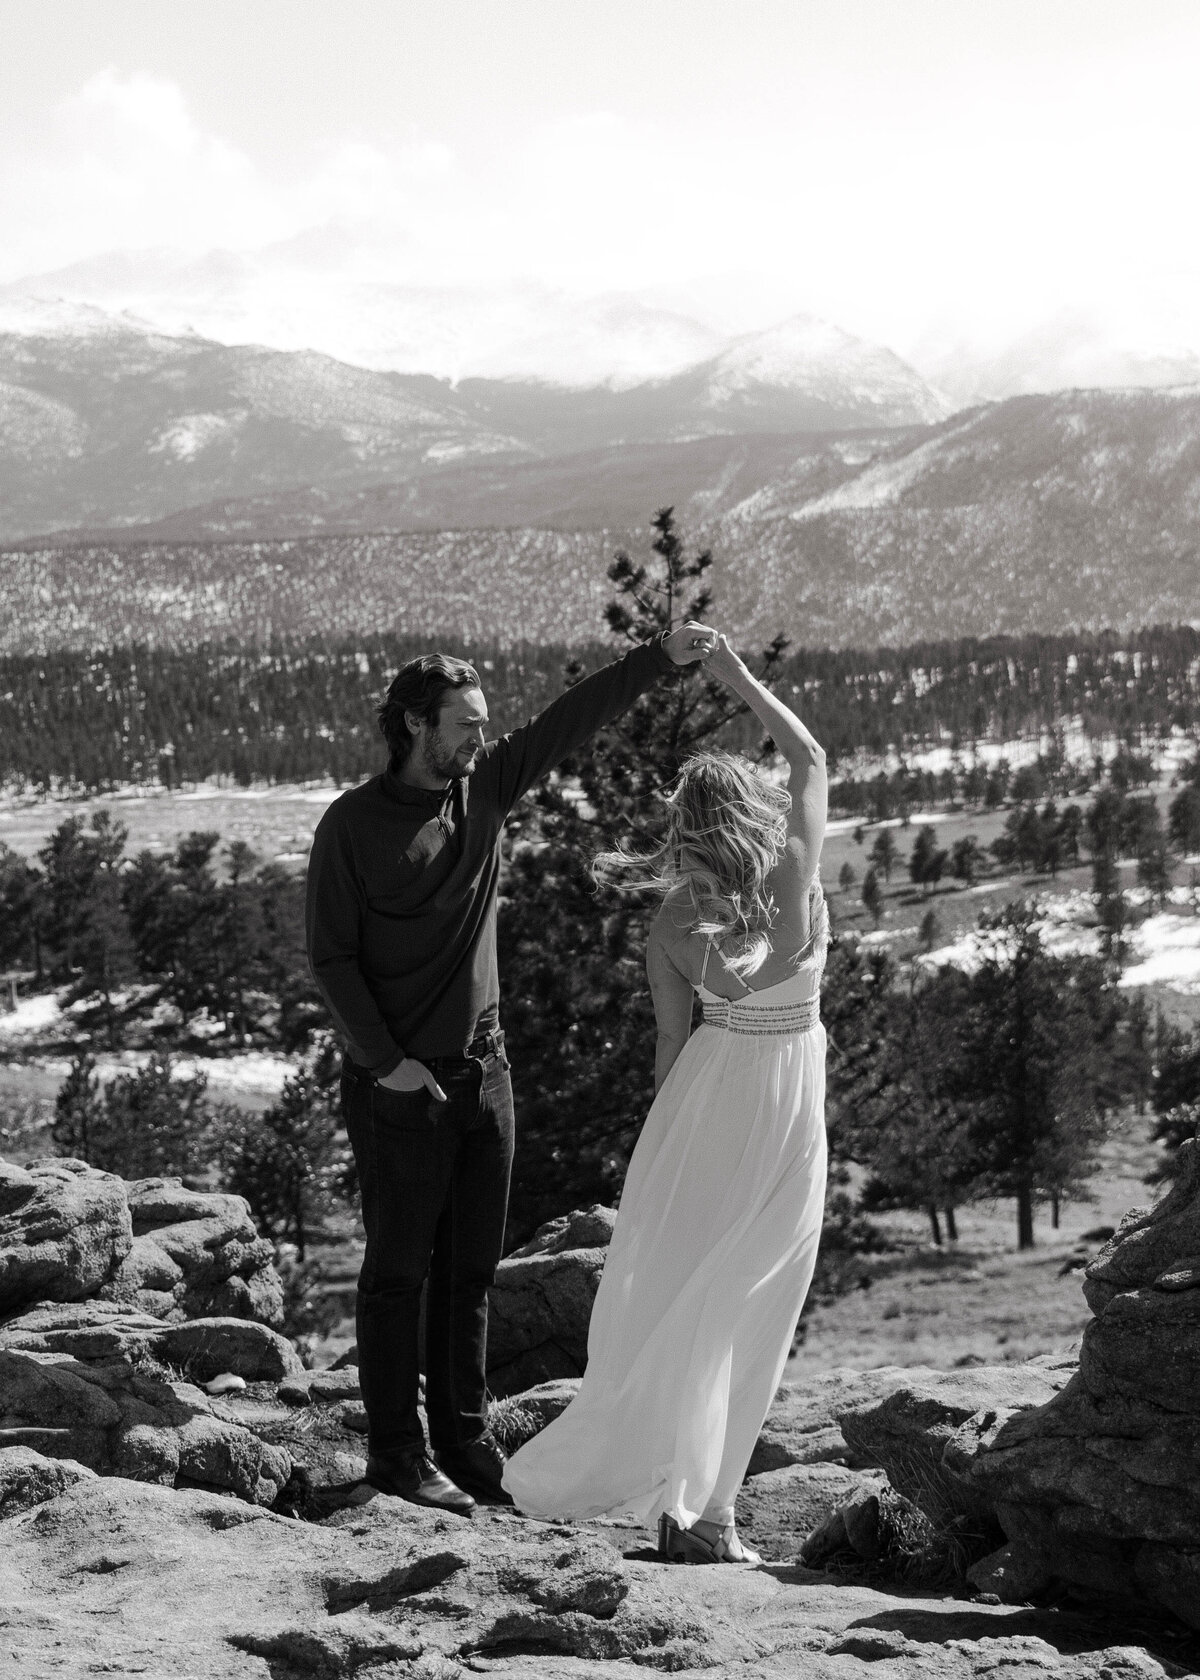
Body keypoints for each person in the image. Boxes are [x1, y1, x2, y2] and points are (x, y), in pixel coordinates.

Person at [305, 620, 718, 1516]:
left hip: (487, 1080)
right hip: (398, 1090)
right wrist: (390, 1066)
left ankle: (466, 1442)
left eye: (484, 722)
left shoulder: (484, 791)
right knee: (395, 1276)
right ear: (416, 725)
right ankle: (396, 1456)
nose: (481, 736)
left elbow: (569, 721)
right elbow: (331, 960)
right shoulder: (352, 826)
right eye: (464, 722)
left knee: (470, 1274)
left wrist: (656, 659)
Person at [501, 634, 828, 1564]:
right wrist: (736, 679)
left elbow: (670, 1044)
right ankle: (709, 1511)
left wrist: (661, 1151)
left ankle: (683, 1501)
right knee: (758, 1299)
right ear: (753, 811)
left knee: (690, 1285)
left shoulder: (673, 917)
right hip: (786, 1092)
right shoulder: (796, 865)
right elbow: (810, 756)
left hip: (706, 1100)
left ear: (687, 824)